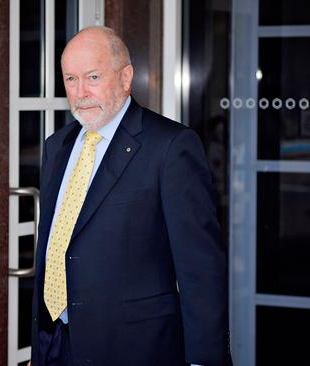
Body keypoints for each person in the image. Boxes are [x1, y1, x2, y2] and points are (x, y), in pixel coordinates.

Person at [29, 26, 232, 366]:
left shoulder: (170, 147)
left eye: (93, 76)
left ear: (126, 78)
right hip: (57, 343)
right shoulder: (58, 146)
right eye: (70, 79)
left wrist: (204, 359)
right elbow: (55, 247)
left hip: (134, 347)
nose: (80, 92)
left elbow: (201, 267)